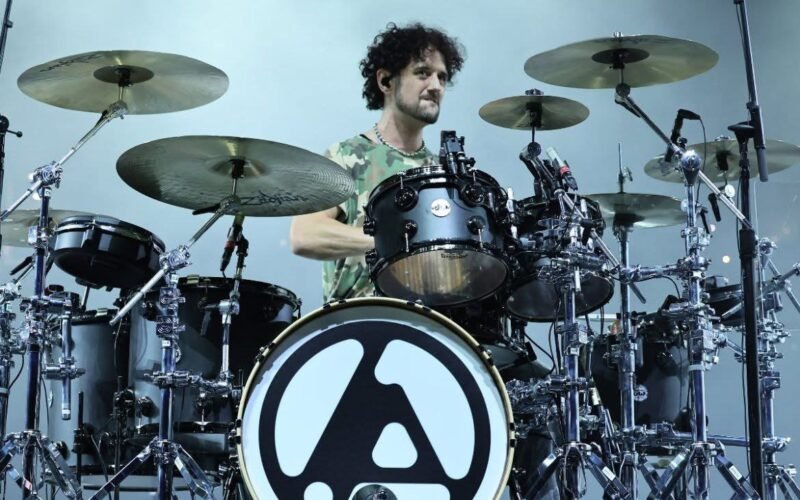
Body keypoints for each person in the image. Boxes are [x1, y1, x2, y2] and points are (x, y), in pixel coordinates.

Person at [289, 22, 464, 302]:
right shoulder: (344, 156)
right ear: (385, 81)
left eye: (442, 78)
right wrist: (392, 245)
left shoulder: (443, 175)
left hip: (429, 320)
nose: (435, 87)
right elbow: (305, 234)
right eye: (422, 73)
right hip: (358, 317)